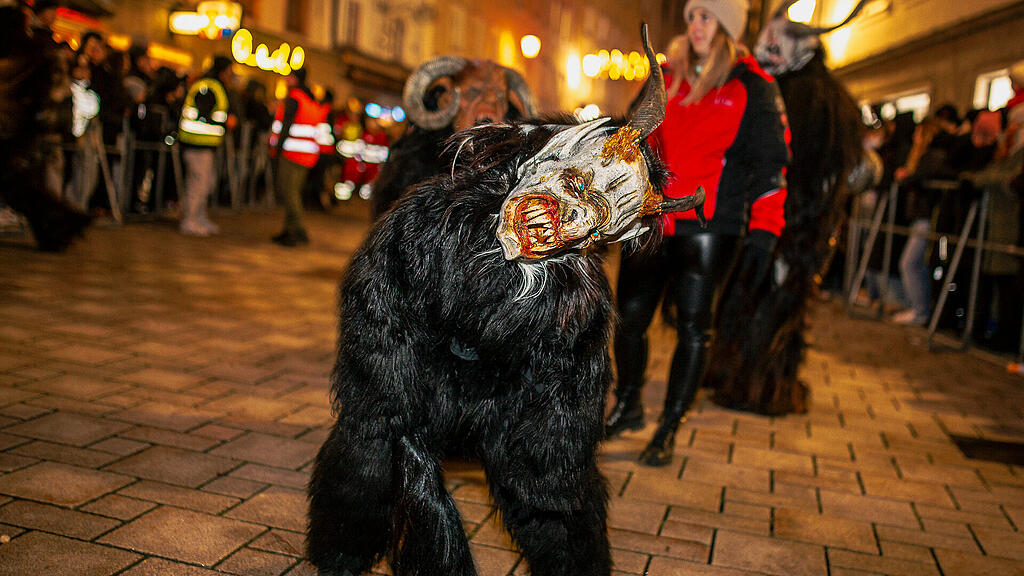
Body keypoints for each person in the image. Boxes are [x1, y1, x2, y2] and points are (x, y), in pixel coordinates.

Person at [605, 0, 788, 466]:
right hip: (651, 219)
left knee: (693, 328)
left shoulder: (752, 85)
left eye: (705, 16)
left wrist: (765, 232)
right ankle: (627, 403)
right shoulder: (667, 75)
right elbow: (631, 135)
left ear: (725, 26)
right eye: (691, 17)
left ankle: (670, 424)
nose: (694, 25)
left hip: (710, 226)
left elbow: (771, 166)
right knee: (628, 317)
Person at [890, 105, 960, 325]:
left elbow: (925, 176)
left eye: (919, 133)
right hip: (920, 216)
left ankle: (920, 310)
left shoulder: (934, 156)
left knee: (910, 263)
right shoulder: (922, 157)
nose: (914, 136)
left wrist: (908, 177)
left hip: (929, 218)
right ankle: (918, 308)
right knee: (914, 263)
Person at [269, 68, 329, 246]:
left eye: (288, 77)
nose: (286, 80)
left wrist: (277, 149)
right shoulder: (310, 98)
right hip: (308, 154)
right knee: (294, 191)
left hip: (292, 153)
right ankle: (289, 230)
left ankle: (297, 230)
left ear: (293, 79)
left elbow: (287, 124)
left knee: (289, 191)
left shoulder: (294, 98)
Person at [177, 55, 233, 236]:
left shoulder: (210, 85)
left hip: (204, 144)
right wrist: (226, 124)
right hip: (196, 144)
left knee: (206, 183)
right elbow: (203, 115)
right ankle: (190, 220)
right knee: (198, 183)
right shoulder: (209, 86)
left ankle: (198, 217)